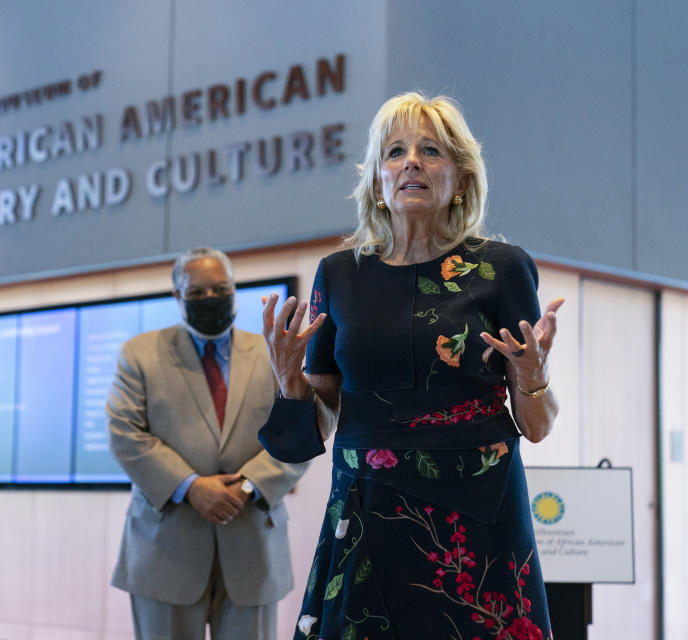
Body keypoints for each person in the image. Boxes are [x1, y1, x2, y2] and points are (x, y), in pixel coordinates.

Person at [258, 93, 563, 639]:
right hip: (368, 505)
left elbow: (537, 427)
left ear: (462, 180)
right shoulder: (339, 274)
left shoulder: (503, 268)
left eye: (431, 151)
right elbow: (325, 417)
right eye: (395, 152)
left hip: (478, 512)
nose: (411, 162)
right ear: (379, 181)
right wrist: (290, 382)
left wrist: (533, 376)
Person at [107, 247, 309, 640]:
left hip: (253, 543)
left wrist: (248, 484)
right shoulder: (139, 353)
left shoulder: (272, 354)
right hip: (165, 549)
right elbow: (124, 433)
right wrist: (192, 487)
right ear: (177, 297)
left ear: (234, 289)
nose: (210, 299)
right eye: (197, 293)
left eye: (219, 288)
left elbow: (300, 432)